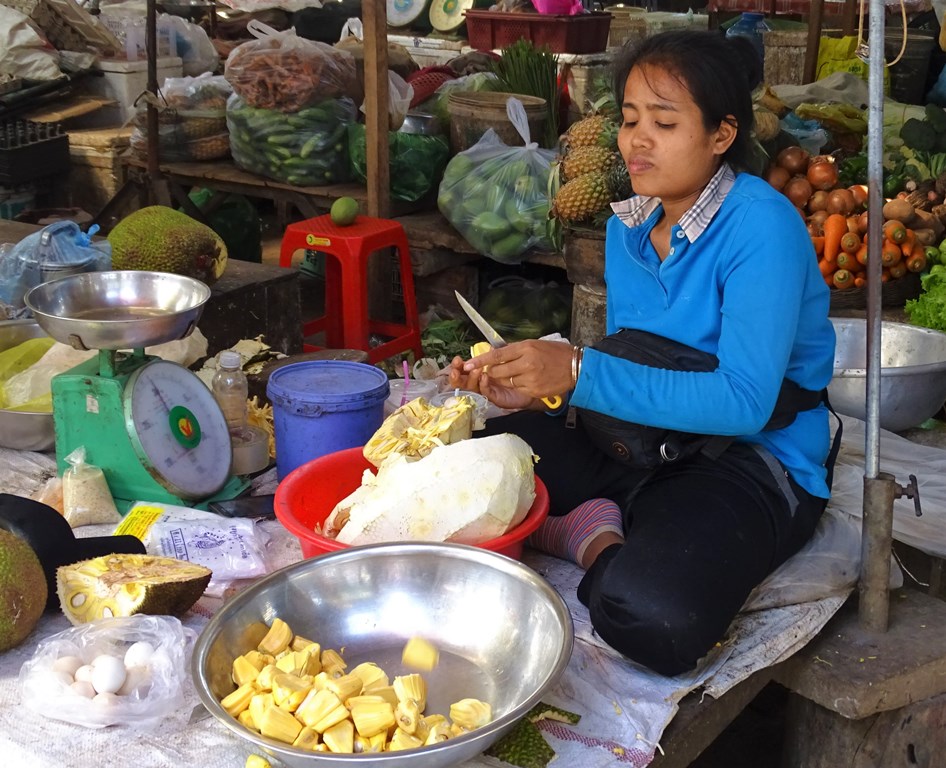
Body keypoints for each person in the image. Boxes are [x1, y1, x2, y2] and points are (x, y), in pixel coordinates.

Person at [448, 30, 837, 677]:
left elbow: (743, 401)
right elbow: (640, 363)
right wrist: (547, 390)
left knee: (653, 615)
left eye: (664, 121)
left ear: (721, 134)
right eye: (629, 120)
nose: (637, 140)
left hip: (751, 456)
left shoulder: (762, 227)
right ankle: (605, 517)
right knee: (458, 474)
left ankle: (593, 540)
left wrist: (578, 369)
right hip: (645, 439)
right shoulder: (628, 225)